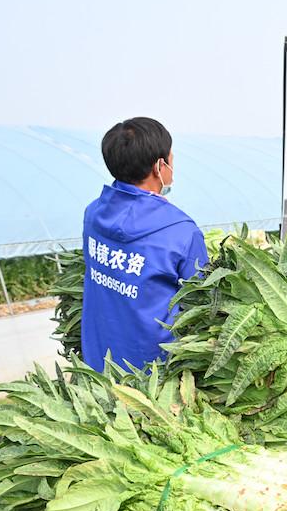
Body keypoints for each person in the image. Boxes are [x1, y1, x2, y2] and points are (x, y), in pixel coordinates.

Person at [80, 117, 208, 372]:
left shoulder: (94, 214)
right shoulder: (181, 232)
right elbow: (202, 305)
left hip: (100, 358)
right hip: (151, 373)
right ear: (160, 166)